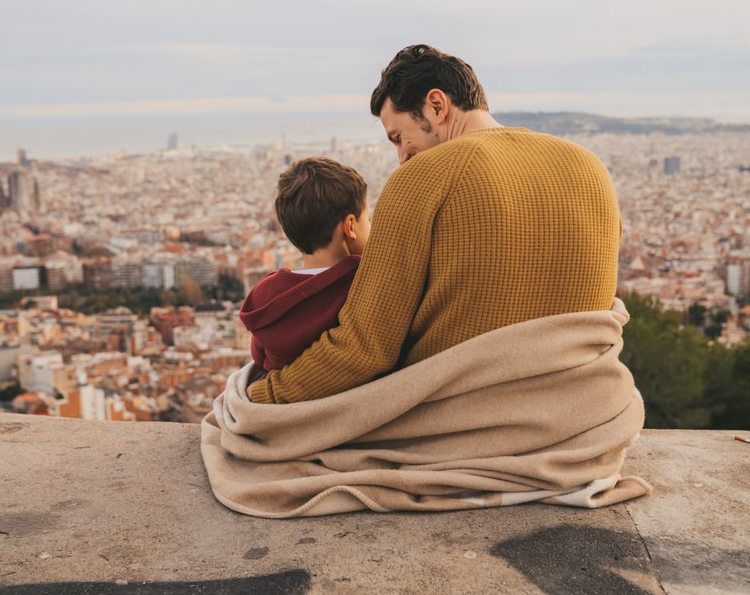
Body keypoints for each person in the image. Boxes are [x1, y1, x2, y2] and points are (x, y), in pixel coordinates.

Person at [247, 44, 622, 403]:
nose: (401, 157)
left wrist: (266, 394)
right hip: (576, 403)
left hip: (463, 412)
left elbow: (364, 348)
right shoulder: (590, 167)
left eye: (399, 137)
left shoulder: (422, 178)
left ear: (437, 105)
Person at [240, 156, 371, 374]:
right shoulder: (363, 285)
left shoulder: (266, 298)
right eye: (367, 219)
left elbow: (260, 357)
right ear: (350, 226)